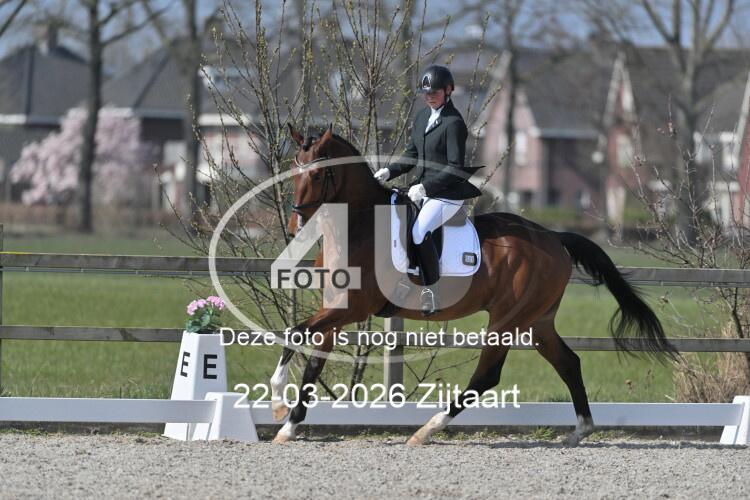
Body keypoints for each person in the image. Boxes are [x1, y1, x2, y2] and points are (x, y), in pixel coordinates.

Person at [373, 64, 482, 316]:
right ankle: (402, 282)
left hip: (447, 194)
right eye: (425, 93)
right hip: (422, 190)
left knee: (419, 231)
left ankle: (431, 292)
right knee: (396, 223)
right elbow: (411, 155)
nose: (429, 96)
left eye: (434, 92)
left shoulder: (454, 123)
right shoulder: (422, 117)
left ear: (448, 90)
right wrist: (390, 171)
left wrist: (425, 187)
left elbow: (455, 168)